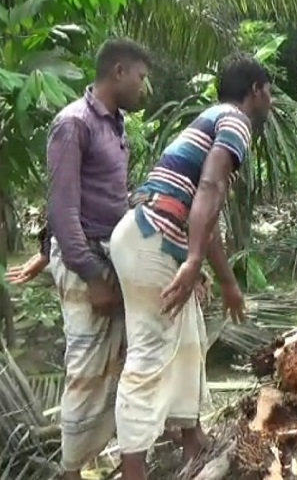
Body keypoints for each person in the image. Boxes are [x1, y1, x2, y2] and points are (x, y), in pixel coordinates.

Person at [110, 52, 266, 480]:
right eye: (268, 92)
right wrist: (193, 259)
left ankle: (193, 442)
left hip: (150, 236)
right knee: (148, 356)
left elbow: (205, 213)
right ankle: (133, 472)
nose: (269, 101)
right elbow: (212, 186)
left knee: (189, 339)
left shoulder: (211, 120)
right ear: (255, 90)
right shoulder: (235, 120)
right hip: (153, 240)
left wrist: (226, 281)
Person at [43, 39, 149, 480]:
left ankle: (101, 457)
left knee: (119, 367)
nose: (145, 88)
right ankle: (70, 471)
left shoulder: (116, 125)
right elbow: (62, 210)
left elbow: (112, 201)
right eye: (142, 78)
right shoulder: (74, 124)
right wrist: (91, 276)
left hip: (111, 258)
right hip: (85, 261)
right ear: (119, 72)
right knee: (85, 371)